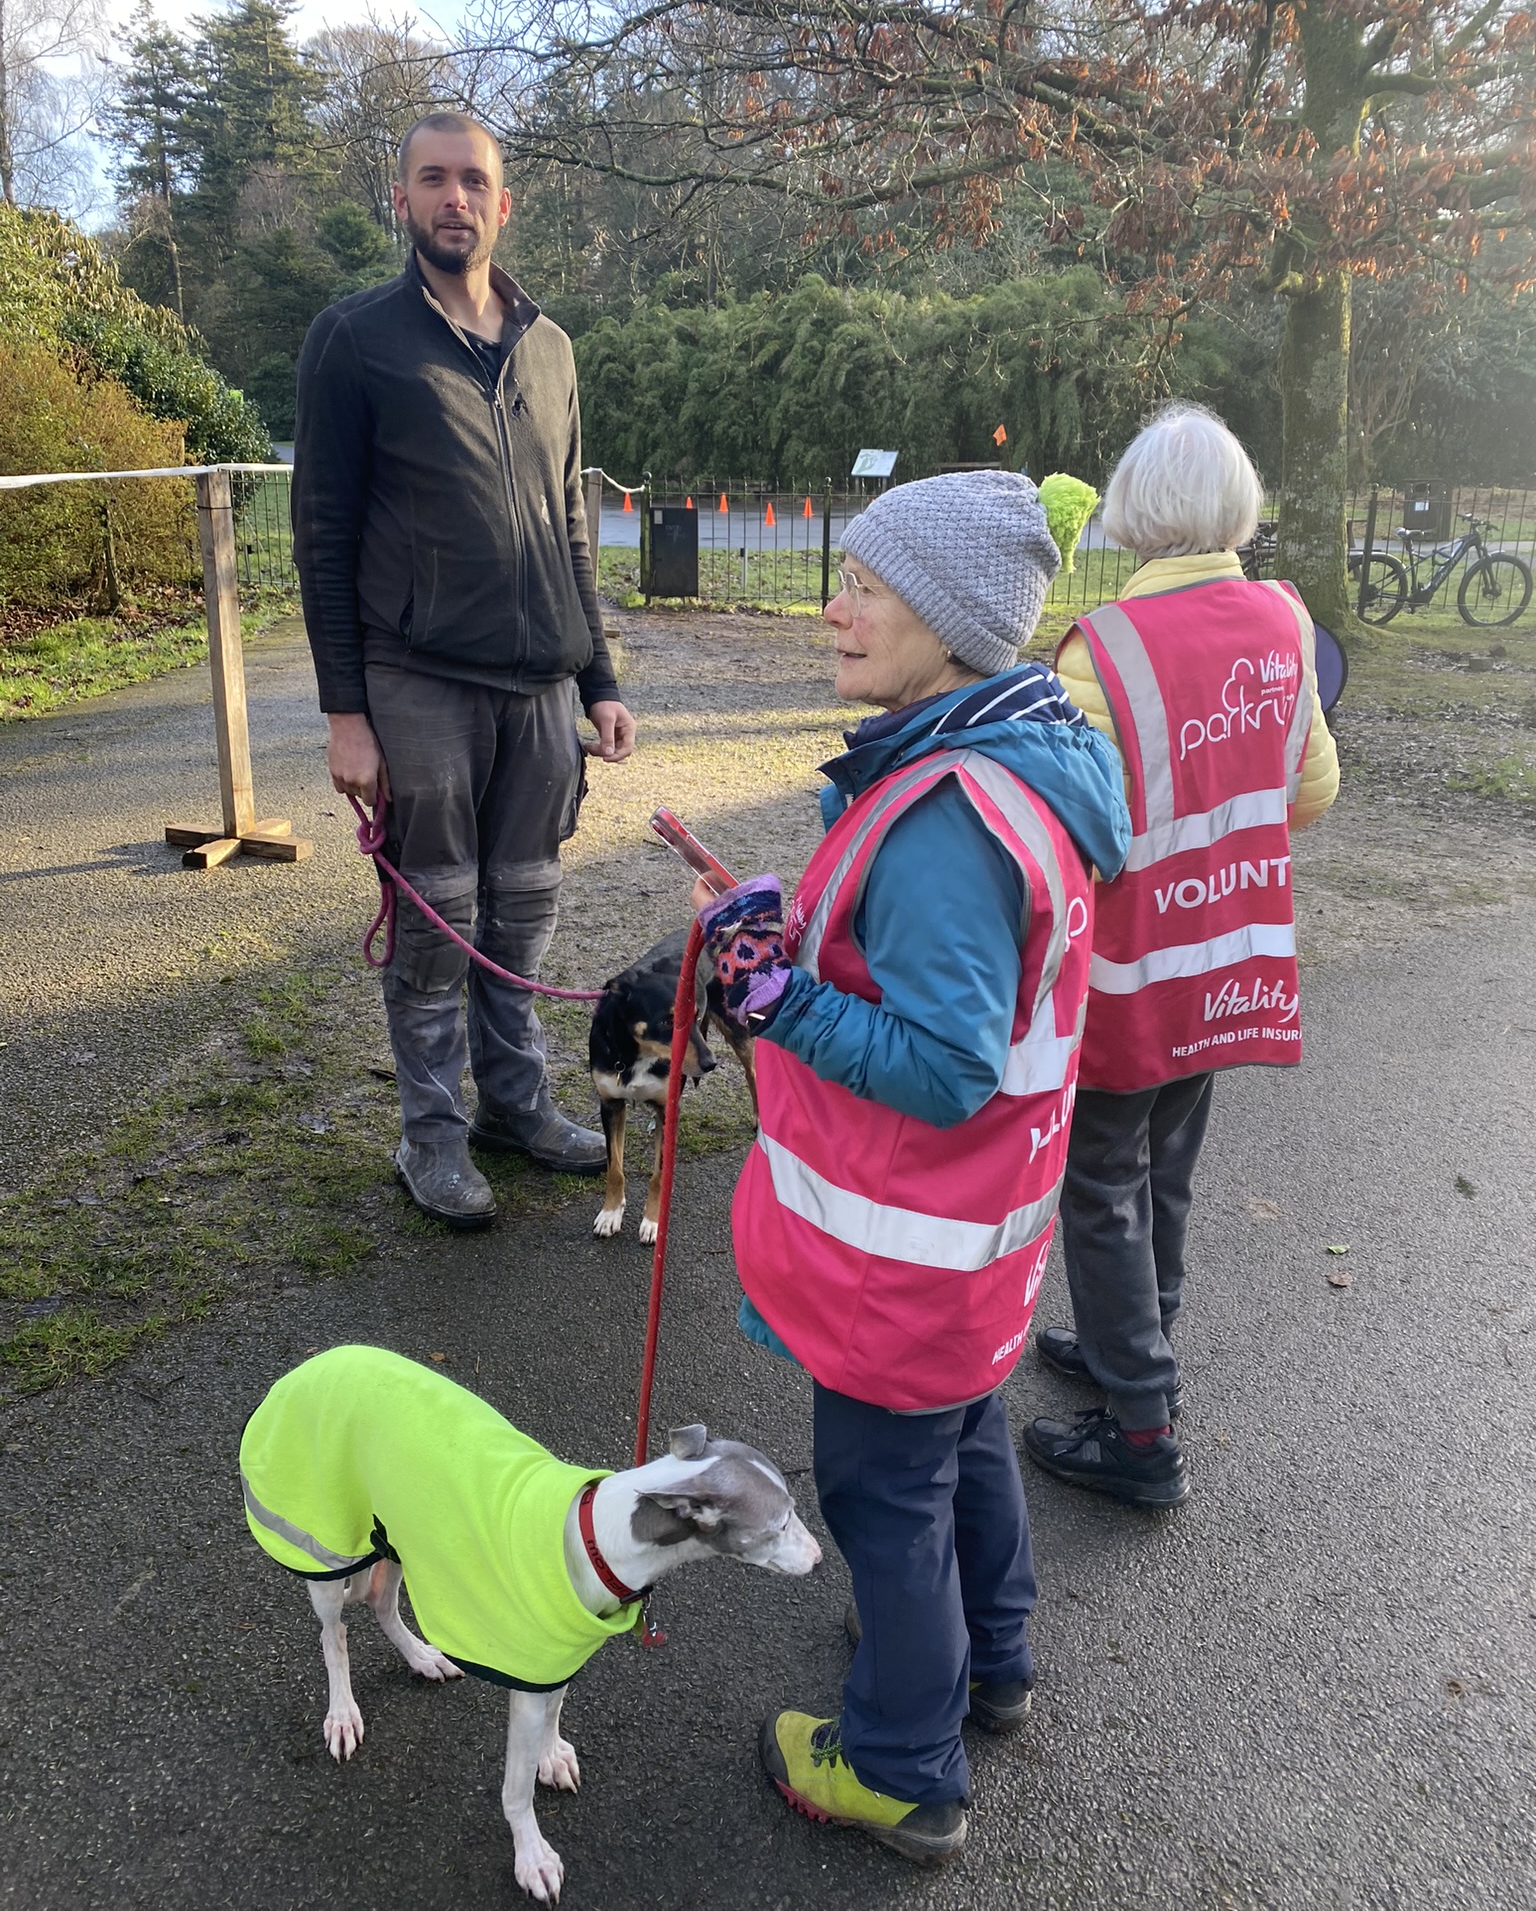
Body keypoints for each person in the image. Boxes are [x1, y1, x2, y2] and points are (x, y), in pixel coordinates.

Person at [688, 471, 1131, 1865]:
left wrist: (772, 1002)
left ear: (948, 621)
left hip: (903, 1255)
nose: (837, 605)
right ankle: (988, 1660)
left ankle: (899, 1765)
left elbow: (941, 1066)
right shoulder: (1006, 761)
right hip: (971, 1249)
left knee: (885, 1497)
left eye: (869, 586)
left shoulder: (949, 809)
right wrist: (786, 932)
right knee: (960, 1448)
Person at [293, 111, 635, 1228]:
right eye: (432, 179)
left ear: (503, 201)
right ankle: (431, 1137)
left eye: (473, 179)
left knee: (522, 913)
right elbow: (324, 533)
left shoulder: (552, 347)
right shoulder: (356, 341)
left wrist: (600, 677)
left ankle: (515, 1106)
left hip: (540, 687)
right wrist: (347, 711)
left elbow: (571, 524)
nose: (454, 198)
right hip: (417, 680)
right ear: (402, 198)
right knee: (438, 921)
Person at [1023, 404, 1339, 1508]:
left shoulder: (1103, 646)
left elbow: (1065, 822)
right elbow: (1314, 786)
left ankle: (1142, 1424)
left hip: (1129, 967)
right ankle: (1136, 1337)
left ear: (1134, 507)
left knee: (1100, 1178)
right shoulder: (1286, 622)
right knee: (1168, 1164)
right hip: (1233, 949)